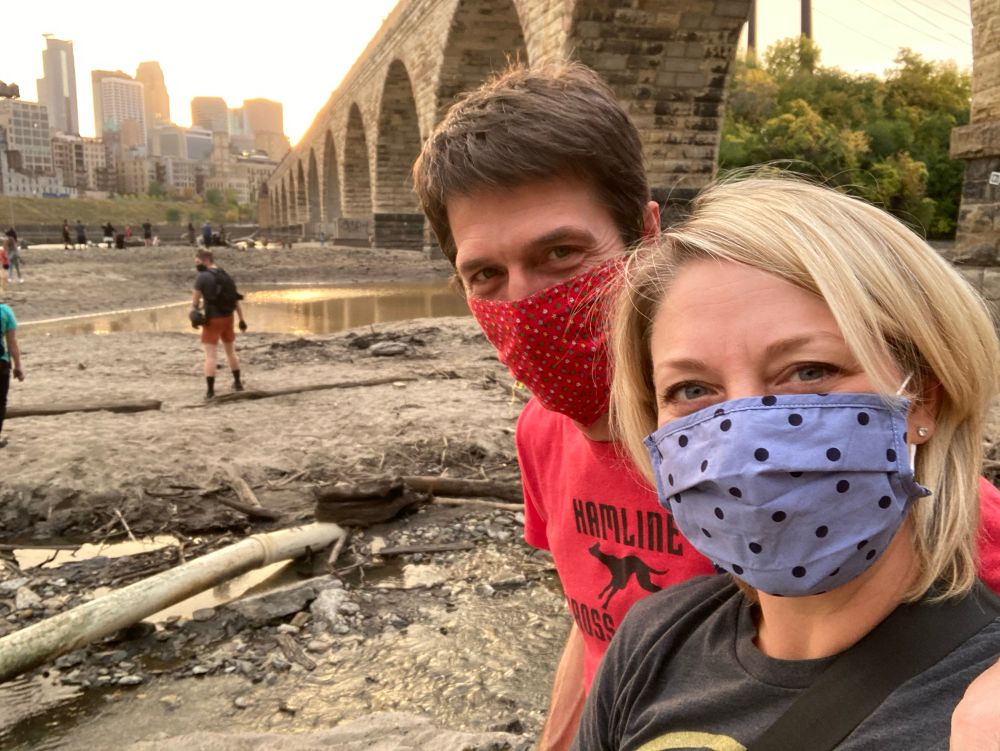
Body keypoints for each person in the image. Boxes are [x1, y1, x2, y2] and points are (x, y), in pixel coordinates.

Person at [412, 62, 1000, 750]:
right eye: (486, 274)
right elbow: (592, 617)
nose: (525, 300)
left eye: (562, 253)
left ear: (645, 236)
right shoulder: (543, 436)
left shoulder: (921, 493)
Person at [574, 175, 1000, 749]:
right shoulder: (651, 641)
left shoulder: (982, 713)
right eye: (693, 390)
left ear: (921, 399)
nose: (744, 439)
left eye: (809, 372)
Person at [191, 249, 247, 399]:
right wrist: (241, 320)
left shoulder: (202, 277)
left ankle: (210, 391)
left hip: (213, 320)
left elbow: (195, 302)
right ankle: (237, 383)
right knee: (231, 352)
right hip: (228, 317)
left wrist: (194, 315)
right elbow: (235, 300)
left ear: (205, 260)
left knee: (210, 356)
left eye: (197, 262)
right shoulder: (224, 274)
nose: (196, 265)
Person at [0, 299, 24, 448]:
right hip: (1, 363)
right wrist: (18, 366)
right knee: (0, 401)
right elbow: (12, 343)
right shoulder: (6, 311)